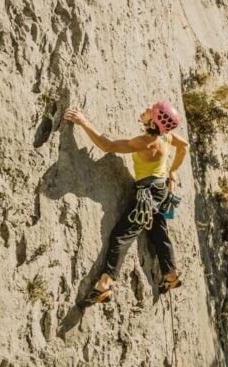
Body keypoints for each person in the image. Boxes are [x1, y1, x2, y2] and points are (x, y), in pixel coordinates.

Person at [63, 101, 189, 306]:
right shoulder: (166, 136)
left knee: (122, 236)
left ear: (155, 121)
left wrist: (83, 122)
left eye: (151, 111)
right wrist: (172, 172)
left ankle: (105, 284)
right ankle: (171, 275)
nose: (146, 109)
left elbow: (107, 146)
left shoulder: (145, 143)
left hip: (147, 194)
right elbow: (185, 146)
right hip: (159, 189)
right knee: (158, 231)